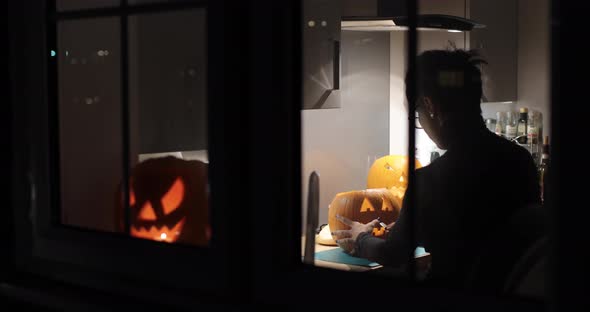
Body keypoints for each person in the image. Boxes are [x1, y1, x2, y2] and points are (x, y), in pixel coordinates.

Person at [331, 49, 541, 290]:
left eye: (418, 114)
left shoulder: (430, 181)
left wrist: (361, 238)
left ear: (430, 106)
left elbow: (393, 254)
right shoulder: (519, 160)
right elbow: (488, 231)